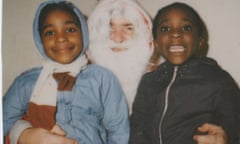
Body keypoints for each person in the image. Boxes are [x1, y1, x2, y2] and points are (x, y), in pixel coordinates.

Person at [3, 1, 129, 144]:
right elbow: (4, 122)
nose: (61, 38)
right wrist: (21, 133)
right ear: (40, 40)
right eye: (50, 32)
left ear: (83, 33)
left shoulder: (101, 78)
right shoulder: (26, 82)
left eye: (70, 29)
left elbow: (118, 130)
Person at [130, 2, 239, 144]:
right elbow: (138, 126)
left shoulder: (217, 80)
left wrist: (225, 140)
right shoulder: (149, 81)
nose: (175, 34)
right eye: (165, 28)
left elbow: (236, 129)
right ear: (156, 43)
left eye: (186, 28)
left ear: (200, 41)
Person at [86, 0, 155, 114]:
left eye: (128, 28)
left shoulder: (159, 81)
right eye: (110, 27)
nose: (117, 38)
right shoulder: (79, 80)